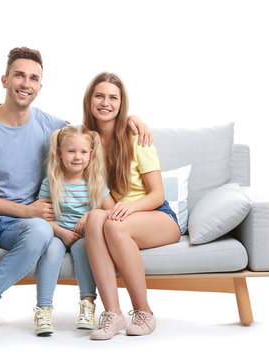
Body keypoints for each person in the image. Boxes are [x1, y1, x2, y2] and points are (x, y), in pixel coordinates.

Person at [0, 47, 152, 339]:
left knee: (41, 231)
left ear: (40, 86)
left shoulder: (50, 127)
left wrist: (131, 120)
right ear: (5, 80)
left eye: (33, 78)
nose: (26, 83)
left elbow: (87, 136)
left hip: (21, 227)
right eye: (19, 75)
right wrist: (26, 210)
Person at [83, 72, 181, 340]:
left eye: (113, 97)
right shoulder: (86, 143)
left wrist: (129, 208)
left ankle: (144, 311)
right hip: (123, 217)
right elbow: (105, 199)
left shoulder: (136, 136)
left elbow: (157, 194)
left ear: (121, 103)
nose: (106, 102)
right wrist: (113, 212)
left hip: (158, 216)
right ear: (89, 100)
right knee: (95, 218)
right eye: (99, 96)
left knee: (114, 227)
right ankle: (112, 314)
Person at [34, 125, 116, 336]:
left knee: (83, 249)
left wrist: (90, 216)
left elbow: (112, 211)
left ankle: (87, 305)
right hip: (57, 234)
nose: (77, 157)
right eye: (71, 151)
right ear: (60, 153)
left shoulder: (95, 183)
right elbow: (40, 216)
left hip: (83, 237)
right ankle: (43, 309)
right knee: (50, 251)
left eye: (83, 152)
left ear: (91, 154)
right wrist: (61, 232)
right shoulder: (50, 182)